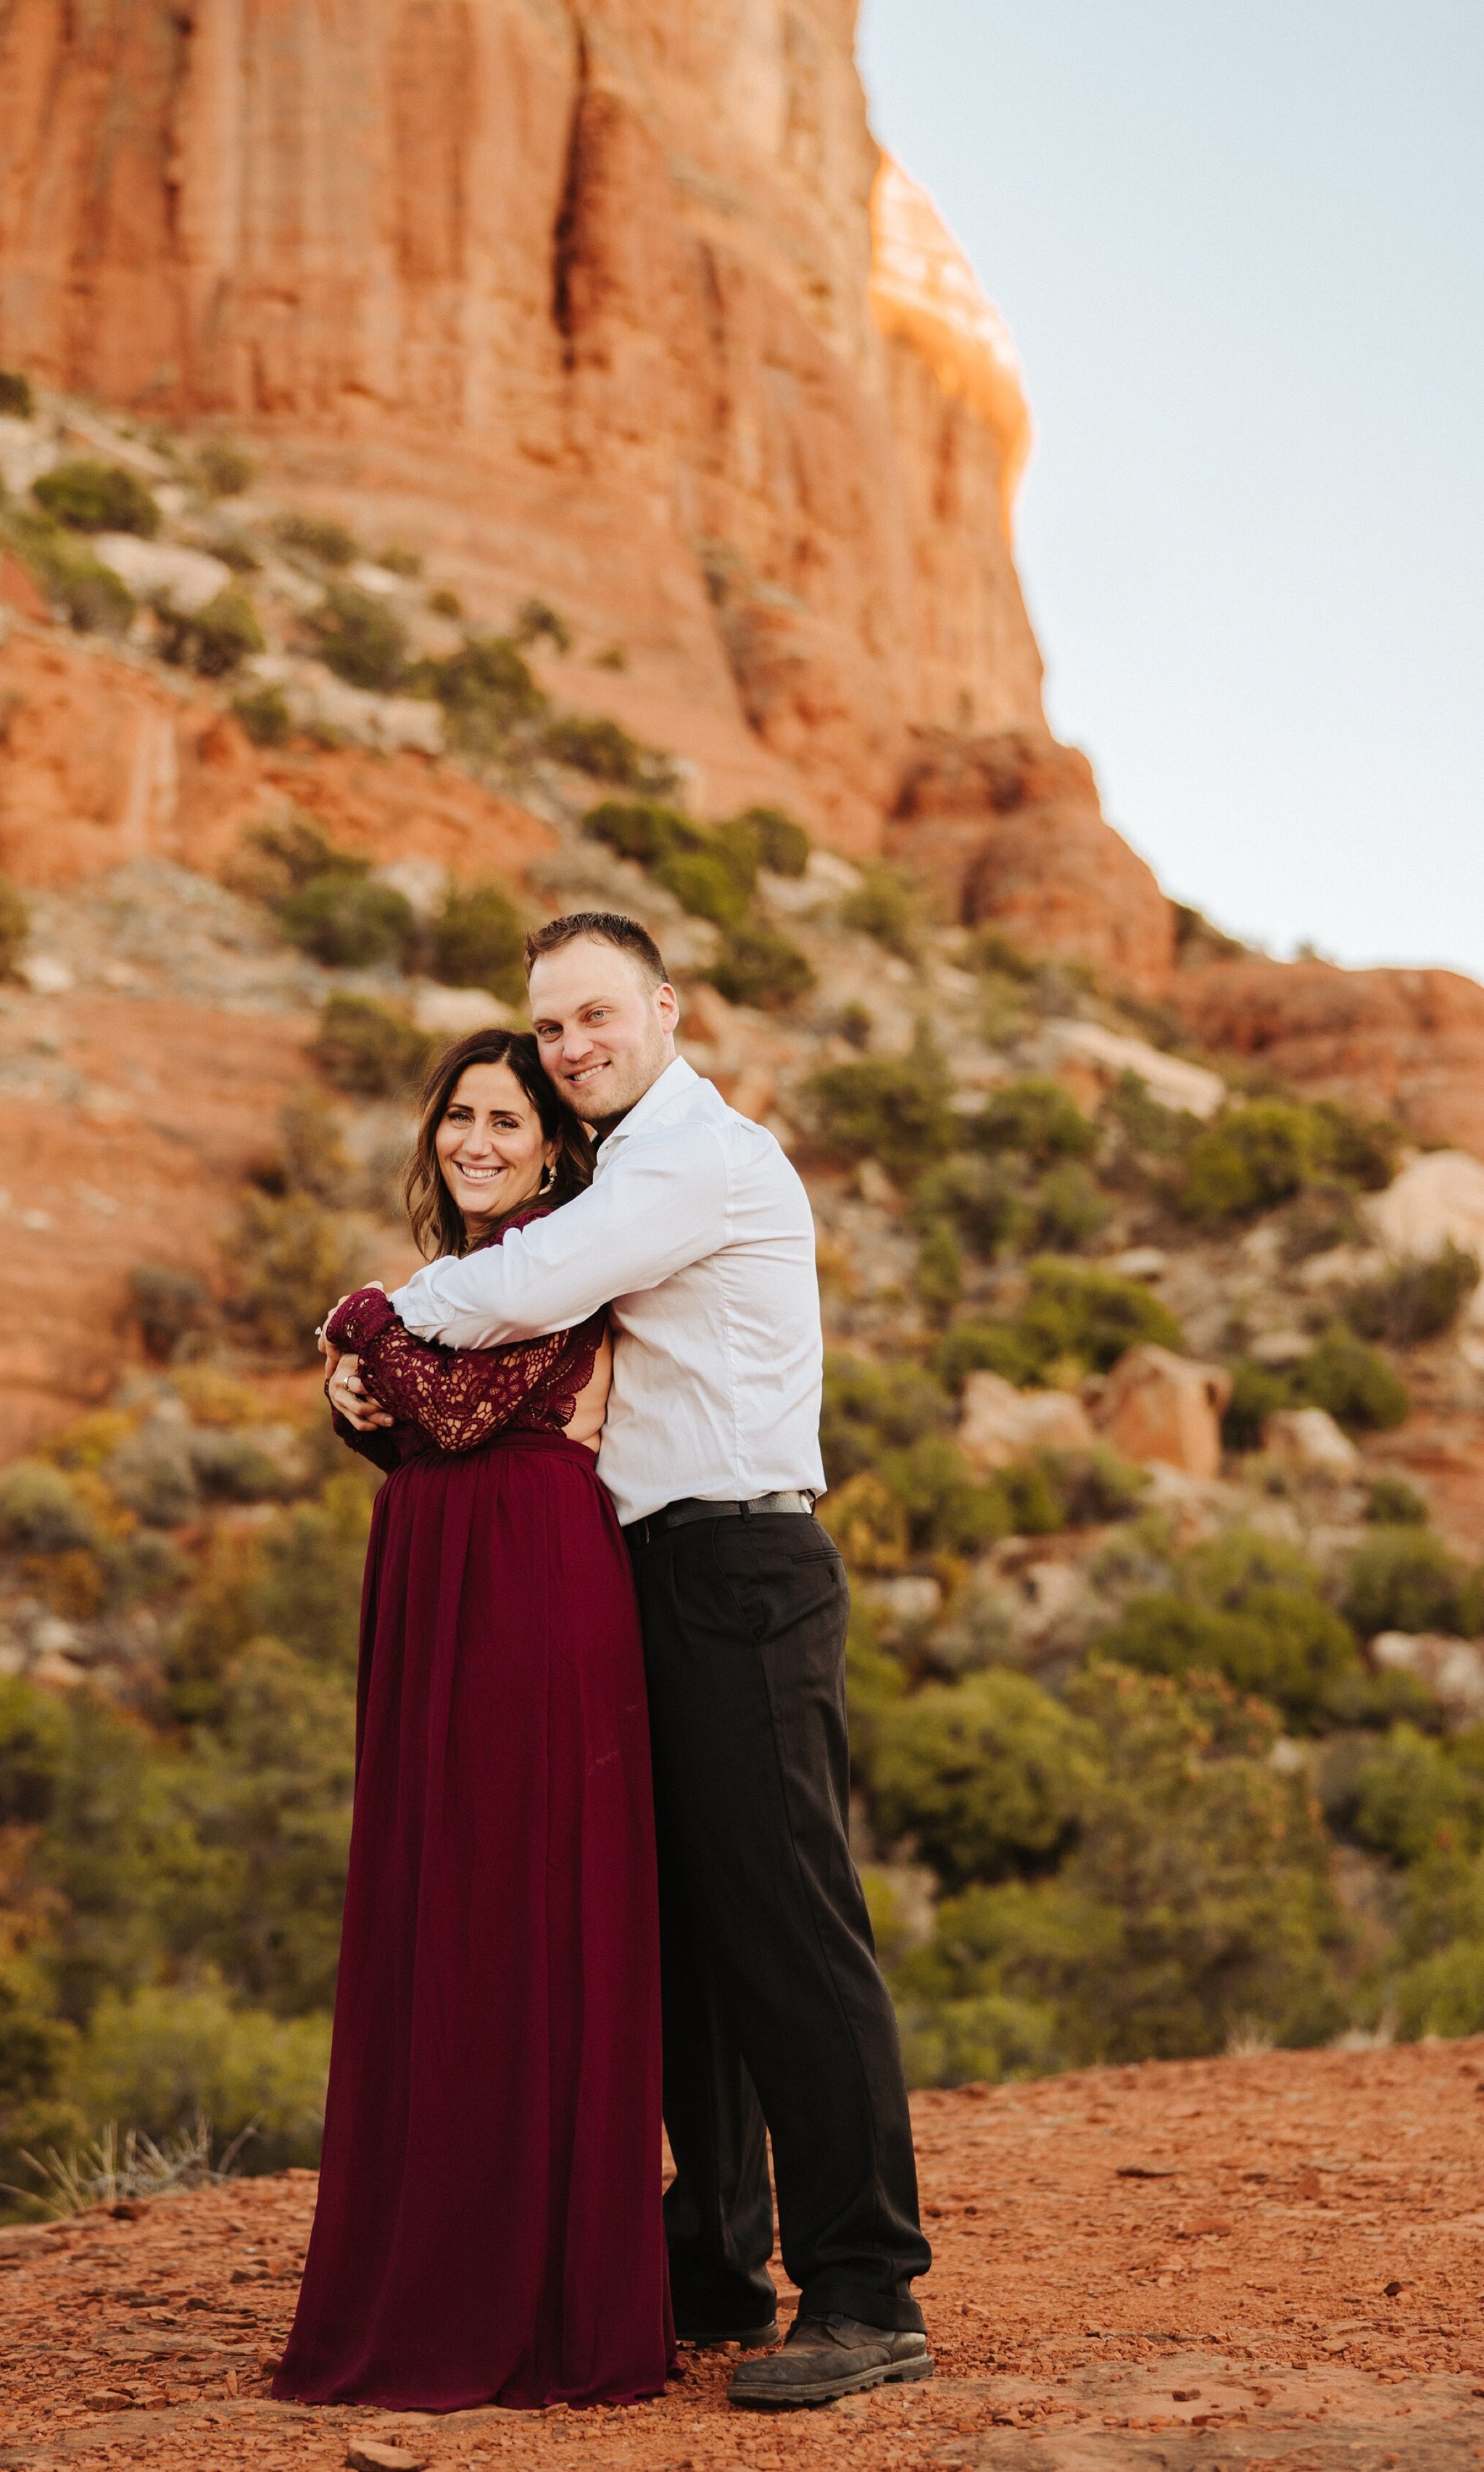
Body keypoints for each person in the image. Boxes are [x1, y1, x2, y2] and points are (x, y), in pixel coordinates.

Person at [331, 911, 933, 2412]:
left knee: (788, 1927)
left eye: (595, 1015)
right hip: (640, 1571)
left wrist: (366, 1312)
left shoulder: (692, 1158)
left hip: (737, 1564)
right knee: (686, 1944)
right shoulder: (621, 1159)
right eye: (550, 1027)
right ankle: (714, 2266)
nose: (571, 1046)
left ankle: (864, 2286)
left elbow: (524, 1287)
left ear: (662, 1006)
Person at [271, 1027, 675, 2413]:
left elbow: (449, 1412)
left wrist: (363, 1320)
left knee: (515, 1898)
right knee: (437, 1896)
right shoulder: (469, 1275)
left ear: (554, 1142)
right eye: (459, 1118)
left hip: (527, 1587)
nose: (478, 1143)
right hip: (441, 1575)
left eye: (508, 1119)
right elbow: (424, 1426)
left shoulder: (561, 1250)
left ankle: (524, 2293)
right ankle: (433, 2258)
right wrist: (364, 1390)